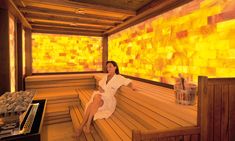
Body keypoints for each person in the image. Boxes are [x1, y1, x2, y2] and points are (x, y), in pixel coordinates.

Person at [76, 61, 134, 136]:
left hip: (108, 100)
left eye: (110, 66)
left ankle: (84, 126)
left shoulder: (118, 78)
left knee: (95, 100)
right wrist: (101, 89)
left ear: (115, 67)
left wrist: (133, 87)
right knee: (95, 100)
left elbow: (128, 82)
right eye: (107, 67)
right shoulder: (106, 76)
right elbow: (100, 85)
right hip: (100, 97)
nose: (108, 68)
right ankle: (85, 126)